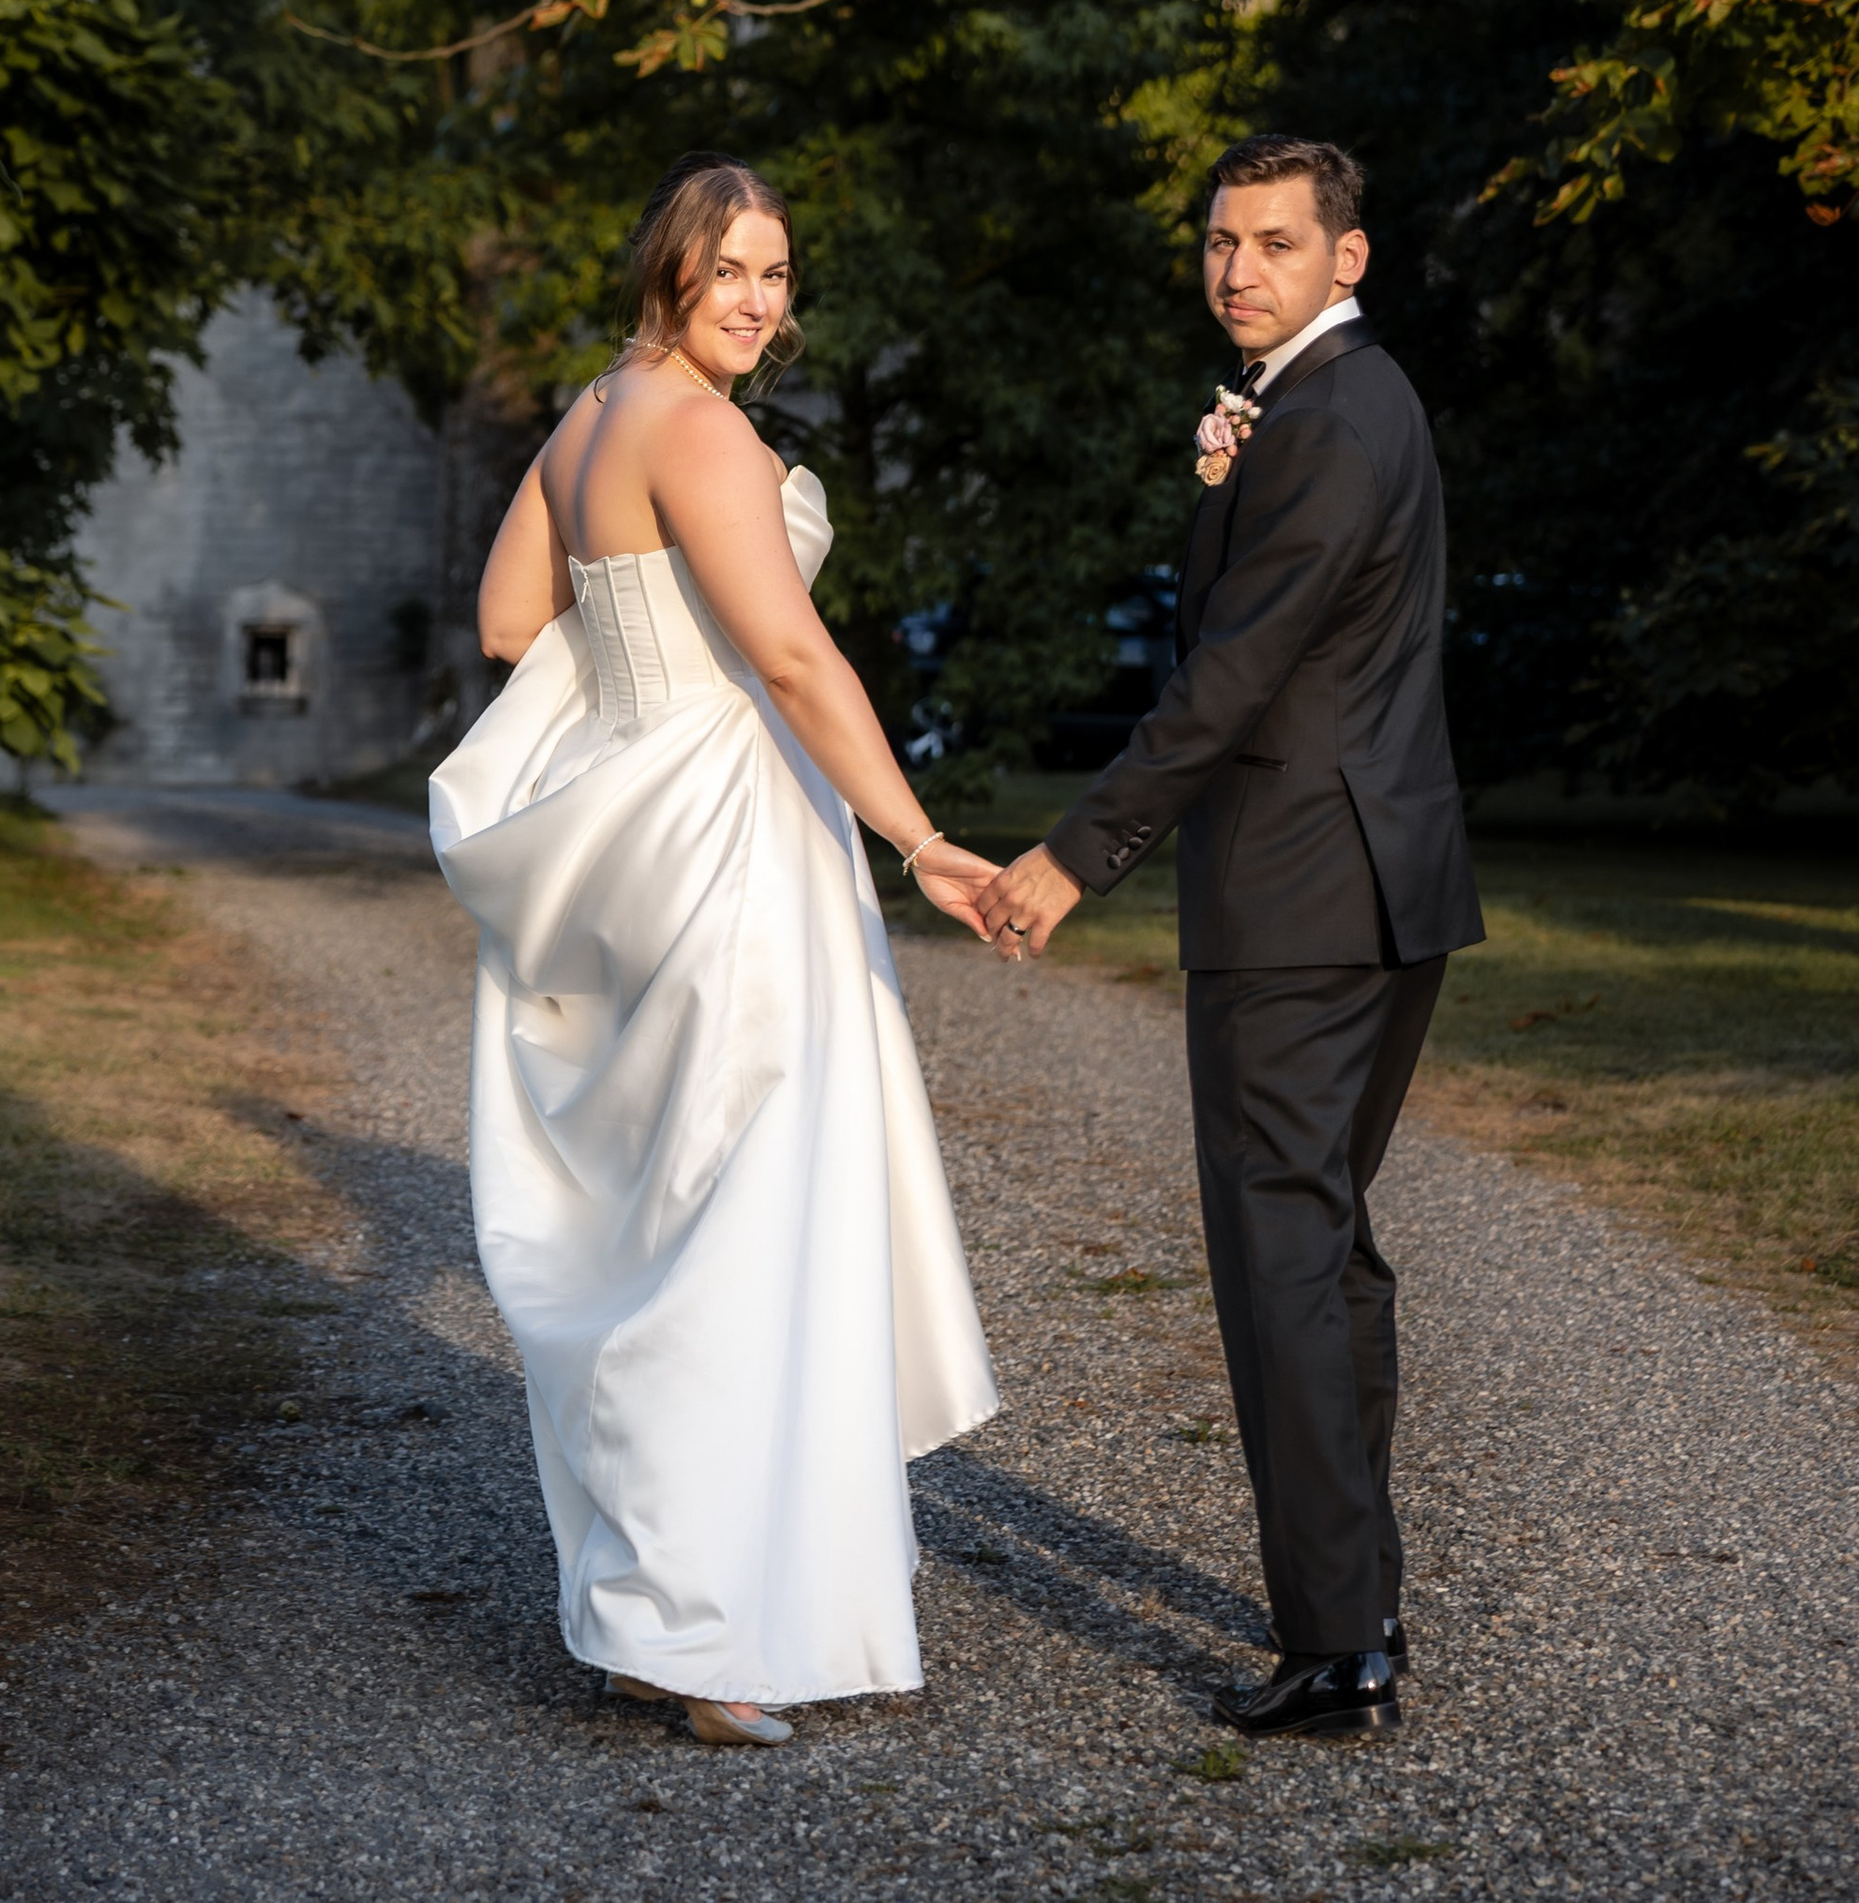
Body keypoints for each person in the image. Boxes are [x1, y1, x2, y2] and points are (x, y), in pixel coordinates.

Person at [431, 152, 1000, 1748]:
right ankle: (705, 1634)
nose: (757, 300)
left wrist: (641, 672)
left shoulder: (589, 419)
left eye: (777, 273)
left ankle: (650, 1622)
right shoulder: (702, 432)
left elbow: (507, 623)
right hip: (735, 842)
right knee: (741, 1230)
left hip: (637, 833)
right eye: (729, 270)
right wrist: (919, 841)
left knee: (665, 1224)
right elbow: (797, 663)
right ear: (671, 273)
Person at [979, 134, 1483, 1744]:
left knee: (1284, 1261)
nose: (1236, 268)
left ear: (1349, 256)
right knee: (1325, 1246)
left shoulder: (1326, 422)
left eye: (1273, 241)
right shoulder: (1358, 399)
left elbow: (1232, 677)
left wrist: (1076, 854)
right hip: (1384, 887)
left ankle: (1336, 1649)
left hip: (1299, 899)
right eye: (1219, 241)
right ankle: (1364, 1605)